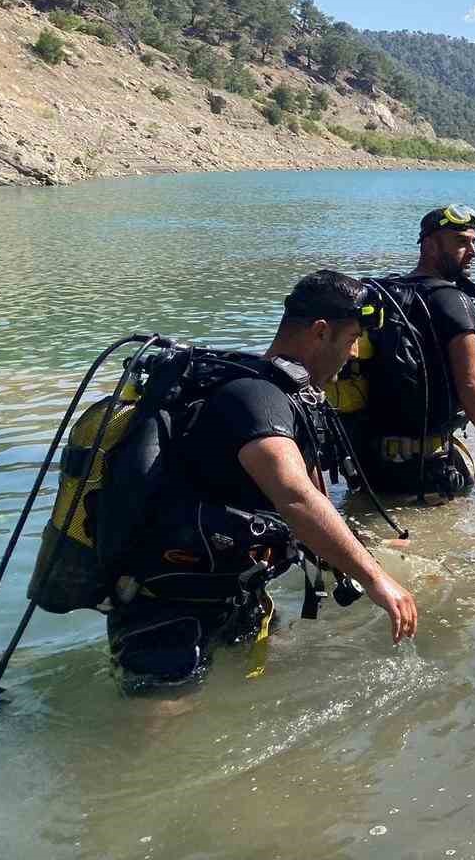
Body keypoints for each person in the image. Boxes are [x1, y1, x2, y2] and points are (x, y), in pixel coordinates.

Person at [106, 271, 418, 692]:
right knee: (151, 735)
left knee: (242, 691)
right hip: (167, 609)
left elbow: (315, 510)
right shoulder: (256, 399)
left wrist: (372, 558)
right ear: (321, 332)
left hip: (231, 594)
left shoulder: (286, 396)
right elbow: (296, 498)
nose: (355, 353)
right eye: (351, 339)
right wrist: (377, 580)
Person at [338, 204, 475, 498]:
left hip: (367, 465)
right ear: (429, 246)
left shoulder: (384, 294)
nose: (472, 252)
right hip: (427, 468)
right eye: (461, 242)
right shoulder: (452, 300)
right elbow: (472, 381)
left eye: (473, 242)